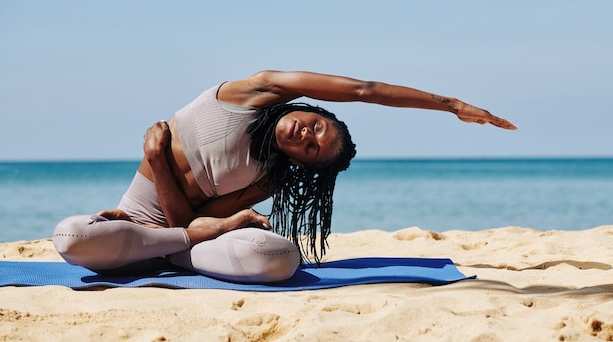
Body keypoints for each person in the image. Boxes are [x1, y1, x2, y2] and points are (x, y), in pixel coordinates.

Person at [53, 70, 517, 283]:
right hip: (145, 225)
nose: (305, 135)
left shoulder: (267, 178)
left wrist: (157, 159)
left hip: (183, 239)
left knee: (277, 258)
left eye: (311, 148)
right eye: (315, 125)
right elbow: (364, 90)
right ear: (308, 109)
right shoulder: (253, 91)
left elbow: (186, 223)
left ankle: (156, 253)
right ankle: (158, 252)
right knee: (72, 237)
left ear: (301, 162)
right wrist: (452, 105)